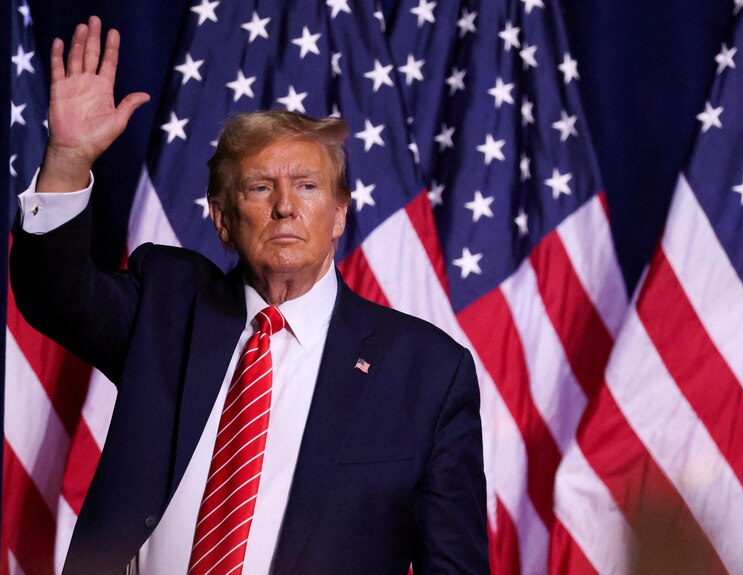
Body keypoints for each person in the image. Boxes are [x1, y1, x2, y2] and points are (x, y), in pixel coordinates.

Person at [10, 16, 489, 574]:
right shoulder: (167, 307)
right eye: (261, 188)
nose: (285, 206)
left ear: (338, 215)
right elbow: (55, 296)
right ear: (222, 220)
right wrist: (68, 160)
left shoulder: (426, 371)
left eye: (307, 187)